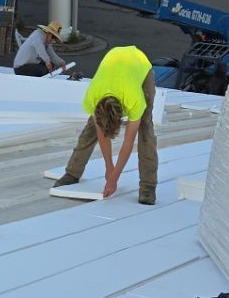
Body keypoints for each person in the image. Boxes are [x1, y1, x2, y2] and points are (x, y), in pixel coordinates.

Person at [53, 44, 158, 205]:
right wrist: (109, 167)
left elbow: (128, 143)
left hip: (140, 66)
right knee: (90, 130)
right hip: (113, 64)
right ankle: (72, 173)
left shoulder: (134, 100)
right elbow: (101, 135)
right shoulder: (92, 97)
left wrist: (114, 177)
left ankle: (148, 186)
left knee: (145, 128)